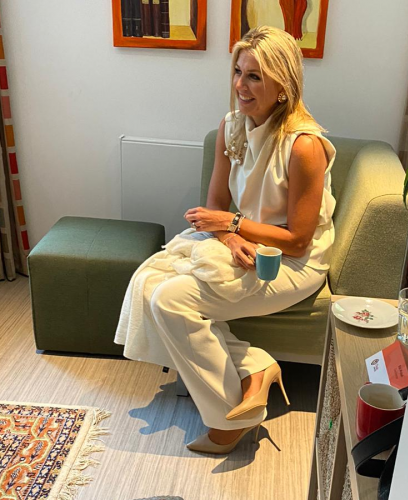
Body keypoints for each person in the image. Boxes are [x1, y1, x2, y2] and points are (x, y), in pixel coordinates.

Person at [115, 25, 336, 455]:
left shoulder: (304, 146)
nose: (240, 85)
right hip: (242, 244)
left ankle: (230, 421)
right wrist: (229, 237)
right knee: (149, 283)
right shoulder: (230, 127)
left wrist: (232, 225)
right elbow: (215, 205)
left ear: (283, 86)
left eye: (254, 76)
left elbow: (297, 240)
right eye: (238, 72)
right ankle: (256, 366)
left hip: (291, 261)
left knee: (171, 300)